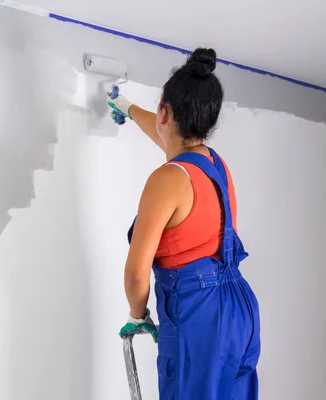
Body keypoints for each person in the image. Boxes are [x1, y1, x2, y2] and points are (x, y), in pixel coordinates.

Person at [108, 48, 261, 400]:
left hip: (199, 314)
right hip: (239, 309)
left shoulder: (166, 180)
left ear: (166, 112)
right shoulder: (213, 164)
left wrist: (139, 315)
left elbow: (136, 272)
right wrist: (128, 109)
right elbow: (167, 137)